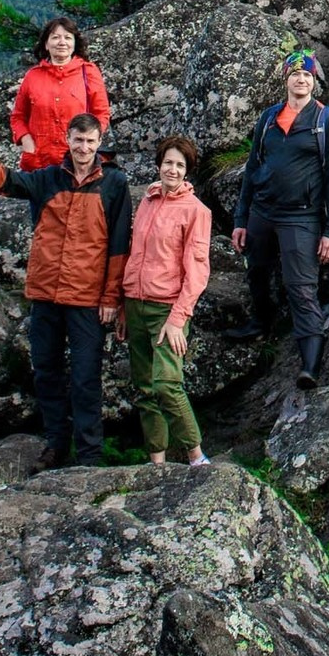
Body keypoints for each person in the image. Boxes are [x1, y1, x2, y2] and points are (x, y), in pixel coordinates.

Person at [0, 111, 133, 467]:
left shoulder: (114, 183)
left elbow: (120, 243)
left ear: (99, 142)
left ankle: (89, 455)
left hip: (87, 298)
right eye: (78, 140)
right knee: (46, 371)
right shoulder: (47, 179)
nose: (84, 147)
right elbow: (5, 182)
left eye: (91, 141)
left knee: (85, 377)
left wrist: (111, 297)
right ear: (67, 139)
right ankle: (55, 445)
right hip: (45, 294)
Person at [226, 50, 329, 390]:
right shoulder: (268, 118)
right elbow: (252, 170)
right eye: (295, 74)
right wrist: (241, 218)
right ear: (285, 79)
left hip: (302, 216)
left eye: (307, 75)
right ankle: (260, 322)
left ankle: (310, 362)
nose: (301, 79)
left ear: (314, 81)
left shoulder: (326, 121)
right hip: (262, 212)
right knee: (257, 270)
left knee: (301, 287)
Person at [123, 135, 212, 467]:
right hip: (135, 303)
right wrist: (123, 302)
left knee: (166, 384)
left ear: (187, 171)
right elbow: (134, 254)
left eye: (180, 164)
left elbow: (198, 270)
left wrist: (178, 318)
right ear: (159, 164)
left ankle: (196, 455)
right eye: (168, 162)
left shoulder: (196, 211)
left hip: (167, 307)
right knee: (144, 389)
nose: (172, 169)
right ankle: (156, 462)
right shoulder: (147, 201)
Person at [9, 14, 109, 171]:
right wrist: (27, 143)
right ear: (46, 44)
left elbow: (101, 114)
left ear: (75, 44)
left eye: (68, 38)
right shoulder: (33, 76)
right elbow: (18, 117)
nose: (62, 42)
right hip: (38, 163)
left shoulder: (89, 72)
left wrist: (88, 143)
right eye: (55, 37)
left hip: (77, 163)